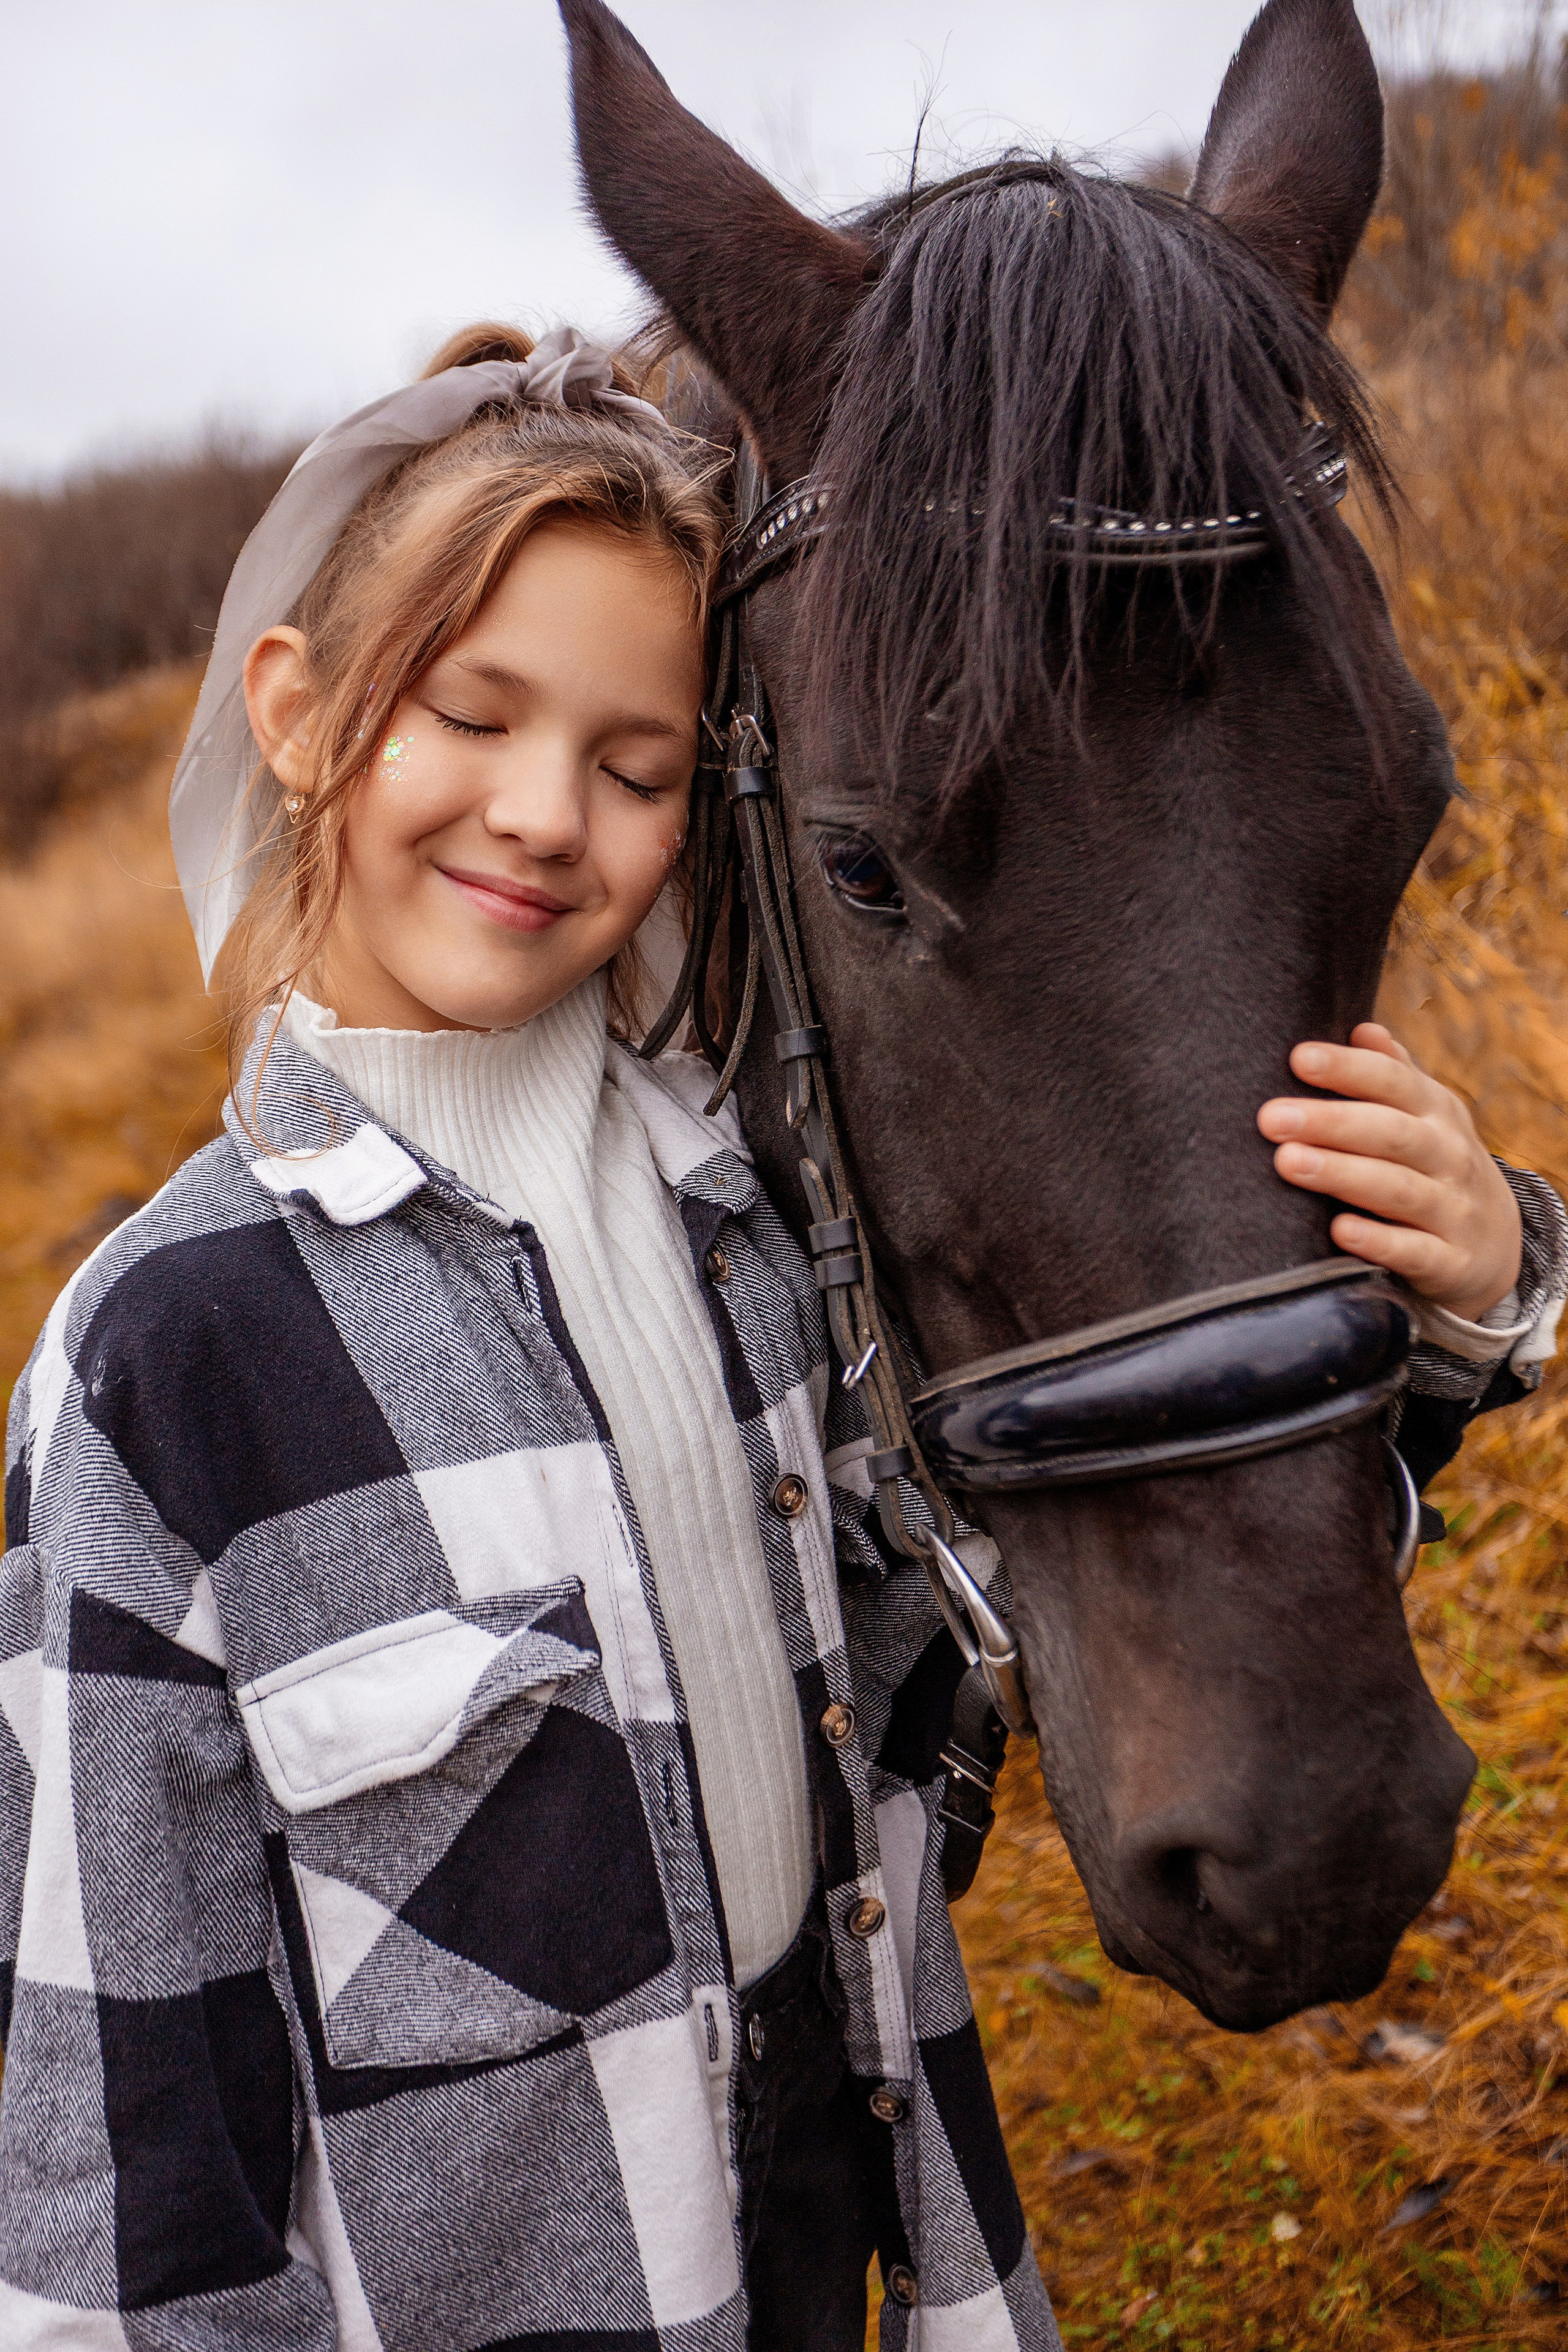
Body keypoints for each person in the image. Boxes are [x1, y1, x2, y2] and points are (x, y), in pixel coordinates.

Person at [0, 328, 1560, 2352]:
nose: (544, 814)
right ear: (297, 716)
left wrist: (1466, 1298)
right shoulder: (166, 1359)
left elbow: (1073, 1580)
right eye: (473, 715)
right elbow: (113, 2134)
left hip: (841, 2237)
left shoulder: (751, 1231)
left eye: (636, 767)